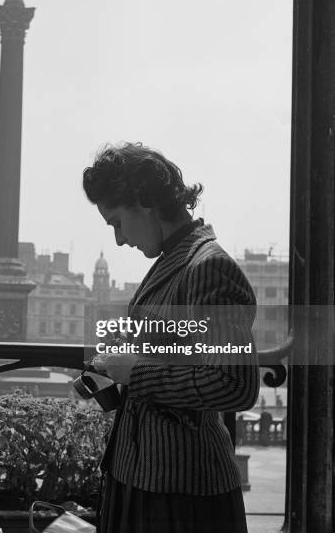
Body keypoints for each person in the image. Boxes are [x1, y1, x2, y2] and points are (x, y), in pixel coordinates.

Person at [82, 143, 259, 533]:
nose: (119, 240)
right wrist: (121, 359)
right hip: (144, 478)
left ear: (144, 202)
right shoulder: (174, 260)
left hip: (182, 493)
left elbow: (235, 385)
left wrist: (136, 371)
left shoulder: (210, 267)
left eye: (116, 223)